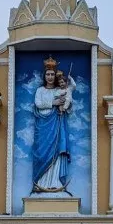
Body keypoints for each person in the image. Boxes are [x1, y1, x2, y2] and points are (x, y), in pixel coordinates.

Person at [32, 56, 73, 195]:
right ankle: (41, 182)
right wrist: (53, 103)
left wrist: (65, 100)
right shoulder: (40, 91)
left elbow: (67, 100)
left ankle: (55, 182)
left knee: (56, 150)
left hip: (55, 124)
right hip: (43, 126)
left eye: (52, 74)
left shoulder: (58, 90)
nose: (50, 77)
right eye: (48, 74)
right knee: (41, 152)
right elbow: (38, 104)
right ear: (44, 76)